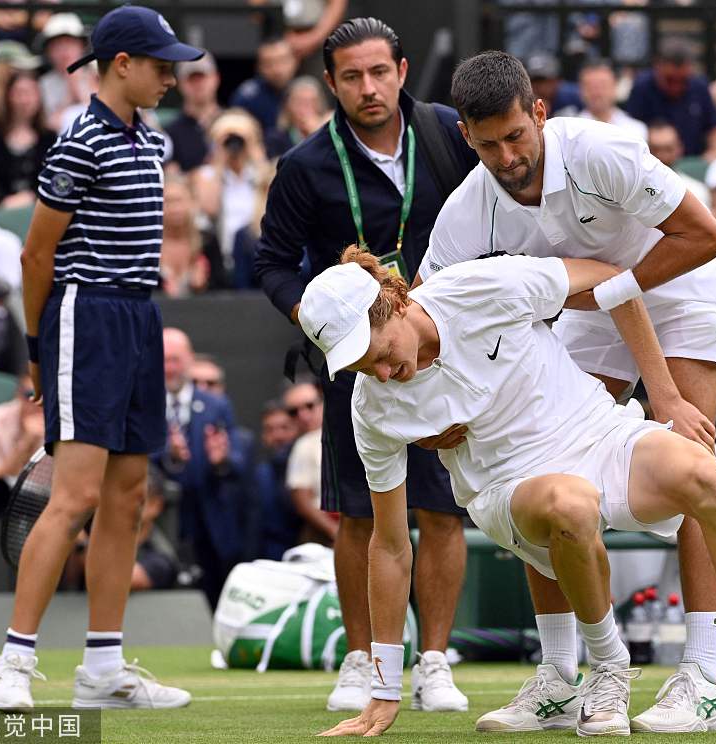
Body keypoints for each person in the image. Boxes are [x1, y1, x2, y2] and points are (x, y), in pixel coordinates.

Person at [310, 248, 716, 739]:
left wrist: (662, 392)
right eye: (364, 367)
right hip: (506, 488)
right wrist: (384, 688)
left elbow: (612, 276)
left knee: (706, 473)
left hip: (599, 432)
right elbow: (389, 545)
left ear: (397, 302)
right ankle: (610, 665)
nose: (382, 374)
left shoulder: (482, 286)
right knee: (570, 503)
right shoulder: (373, 406)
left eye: (380, 353)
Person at [417, 50, 716, 734]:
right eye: (486, 145)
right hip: (586, 306)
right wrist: (438, 408)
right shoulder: (463, 214)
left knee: (691, 462)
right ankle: (562, 675)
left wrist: (653, 368)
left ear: (539, 113)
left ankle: (706, 675)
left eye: (515, 136)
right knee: (542, 464)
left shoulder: (600, 151)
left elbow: (705, 235)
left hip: (680, 287)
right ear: (465, 138)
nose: (506, 157)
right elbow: (425, 321)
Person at [0, 5, 203, 712]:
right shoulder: (79, 138)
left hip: (139, 315)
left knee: (128, 497)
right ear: (121, 65)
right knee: (74, 496)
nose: (172, 77)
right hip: (85, 315)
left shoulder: (153, 138)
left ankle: (103, 670)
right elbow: (35, 252)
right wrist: (42, 349)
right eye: (161, 64)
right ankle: (12, 663)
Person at [254, 17, 478, 714]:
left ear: (403, 71)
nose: (368, 87)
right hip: (355, 363)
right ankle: (359, 658)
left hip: (443, 346)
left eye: (379, 72)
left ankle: (434, 661)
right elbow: (271, 264)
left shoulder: (448, 133)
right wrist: (322, 328)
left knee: (441, 510)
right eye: (350, 76)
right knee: (359, 514)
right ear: (330, 83)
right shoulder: (305, 165)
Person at [159, 327, 250, 609]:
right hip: (161, 521)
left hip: (209, 521)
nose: (169, 368)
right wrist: (168, 455)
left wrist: (220, 460)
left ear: (189, 361)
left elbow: (236, 460)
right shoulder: (143, 404)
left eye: (175, 359)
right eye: (163, 360)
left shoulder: (215, 405)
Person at [192, 108, 272, 274]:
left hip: (257, 258)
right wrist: (219, 159)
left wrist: (254, 151)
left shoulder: (260, 174)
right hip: (221, 262)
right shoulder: (207, 175)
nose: (235, 145)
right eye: (228, 139)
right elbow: (209, 208)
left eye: (241, 139)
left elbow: (272, 196)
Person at [625, 37, 716, 158]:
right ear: (658, 67)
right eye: (670, 80)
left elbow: (715, 130)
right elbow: (630, 131)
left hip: (692, 163)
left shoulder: (699, 87)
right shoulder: (642, 88)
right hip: (651, 162)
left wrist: (711, 156)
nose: (676, 87)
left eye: (683, 80)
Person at [0, 72, 56, 206]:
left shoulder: (49, 138)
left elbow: (54, 179)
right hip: (0, 209)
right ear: (8, 96)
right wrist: (4, 200)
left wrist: (32, 196)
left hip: (40, 208)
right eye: (19, 93)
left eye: (31, 93)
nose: (25, 100)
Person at [285, 378, 335, 545]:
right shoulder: (304, 445)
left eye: (309, 406)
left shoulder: (345, 430)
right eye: (294, 411)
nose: (303, 415)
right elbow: (303, 501)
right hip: (325, 535)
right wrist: (336, 532)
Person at [159, 174, 226, 297]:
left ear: (191, 202)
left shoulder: (208, 241)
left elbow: (224, 289)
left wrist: (204, 286)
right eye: (167, 201)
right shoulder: (149, 245)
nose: (174, 208)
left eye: (179, 200)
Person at [254, 399, 303, 560]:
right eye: (270, 430)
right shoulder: (259, 475)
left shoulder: (310, 467)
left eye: (284, 428)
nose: (278, 436)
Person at [36, 13, 97, 133]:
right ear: (49, 51)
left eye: (70, 43)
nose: (65, 51)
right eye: (58, 45)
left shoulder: (97, 75)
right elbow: (50, 125)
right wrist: (70, 92)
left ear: (81, 46)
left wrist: (77, 84)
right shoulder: (43, 84)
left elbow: (103, 117)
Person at [229, 37, 298, 137]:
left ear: (294, 61)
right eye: (269, 63)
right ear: (259, 67)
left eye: (282, 60)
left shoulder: (306, 91)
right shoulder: (248, 97)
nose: (277, 69)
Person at [164, 54, 221, 173]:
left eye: (202, 77)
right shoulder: (170, 132)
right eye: (191, 79)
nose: (198, 84)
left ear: (216, 78)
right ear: (180, 83)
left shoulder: (236, 122)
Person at [576, 59, 647, 140]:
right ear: (580, 90)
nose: (596, 93)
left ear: (615, 87)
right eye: (590, 87)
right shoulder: (569, 131)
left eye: (603, 86)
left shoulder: (636, 130)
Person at [265, 76, 332, 158]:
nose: (306, 109)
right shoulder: (276, 138)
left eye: (312, 102)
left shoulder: (330, 134)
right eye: (300, 102)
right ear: (288, 106)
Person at [646, 119, 710, 205]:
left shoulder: (696, 192)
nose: (662, 156)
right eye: (656, 149)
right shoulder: (633, 191)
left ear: (679, 148)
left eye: (668, 149)